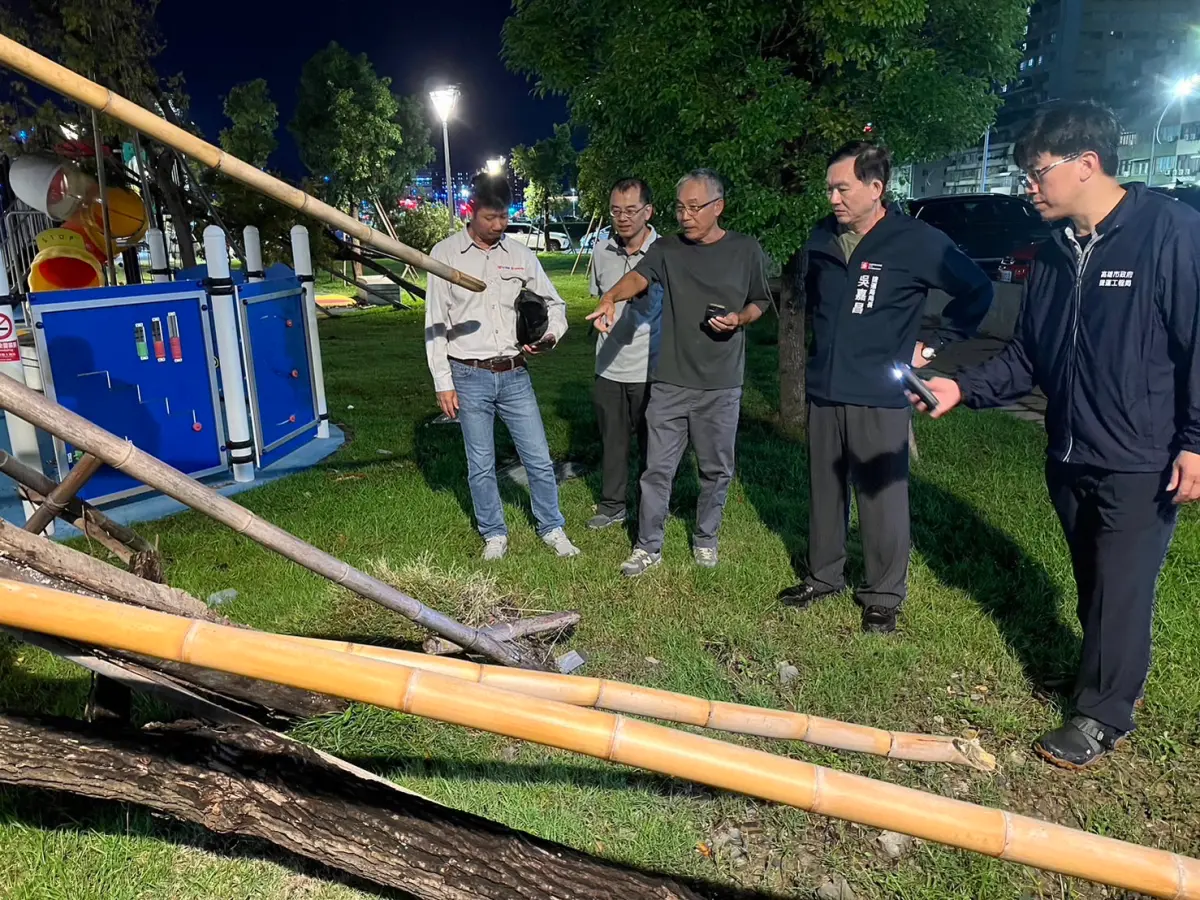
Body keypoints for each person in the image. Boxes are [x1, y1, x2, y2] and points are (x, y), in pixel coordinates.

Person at [913, 102, 1200, 768]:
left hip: (1141, 456)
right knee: (1096, 581)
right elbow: (1027, 356)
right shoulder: (1050, 253)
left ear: (1087, 165)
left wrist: (1194, 441)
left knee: (1123, 584)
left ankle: (1104, 715)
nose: (1029, 187)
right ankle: (1102, 675)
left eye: (1037, 172)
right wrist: (962, 387)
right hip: (1068, 449)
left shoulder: (1171, 234)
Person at [777, 142, 992, 633]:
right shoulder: (821, 238)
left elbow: (977, 289)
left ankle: (882, 595)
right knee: (824, 491)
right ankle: (824, 575)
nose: (832, 197)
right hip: (826, 388)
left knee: (881, 497)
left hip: (879, 392)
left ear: (876, 188)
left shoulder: (915, 240)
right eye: (829, 188)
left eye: (842, 188)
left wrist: (933, 345)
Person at [588, 169, 772, 576]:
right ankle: (647, 546)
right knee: (657, 470)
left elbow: (760, 300)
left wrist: (740, 319)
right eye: (680, 207)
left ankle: (706, 538)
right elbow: (638, 276)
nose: (685, 216)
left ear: (718, 206)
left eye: (694, 207)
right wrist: (610, 297)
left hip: (721, 385)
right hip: (670, 381)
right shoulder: (667, 250)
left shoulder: (746, 250)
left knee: (715, 469)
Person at [424, 173, 580, 561]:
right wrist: (443, 382)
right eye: (490, 217)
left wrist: (549, 336)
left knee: (538, 457)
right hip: (467, 373)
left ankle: (552, 527)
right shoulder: (444, 255)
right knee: (480, 462)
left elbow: (556, 304)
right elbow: (434, 324)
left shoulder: (519, 255)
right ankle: (494, 533)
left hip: (514, 373)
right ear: (471, 211)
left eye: (504, 217)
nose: (498, 225)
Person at [587, 177, 663, 531]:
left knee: (654, 446)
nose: (623, 217)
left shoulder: (667, 251)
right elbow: (598, 295)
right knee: (612, 441)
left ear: (648, 211)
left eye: (631, 210)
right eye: (616, 210)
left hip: (651, 367)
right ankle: (612, 505)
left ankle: (651, 510)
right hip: (608, 366)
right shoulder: (601, 250)